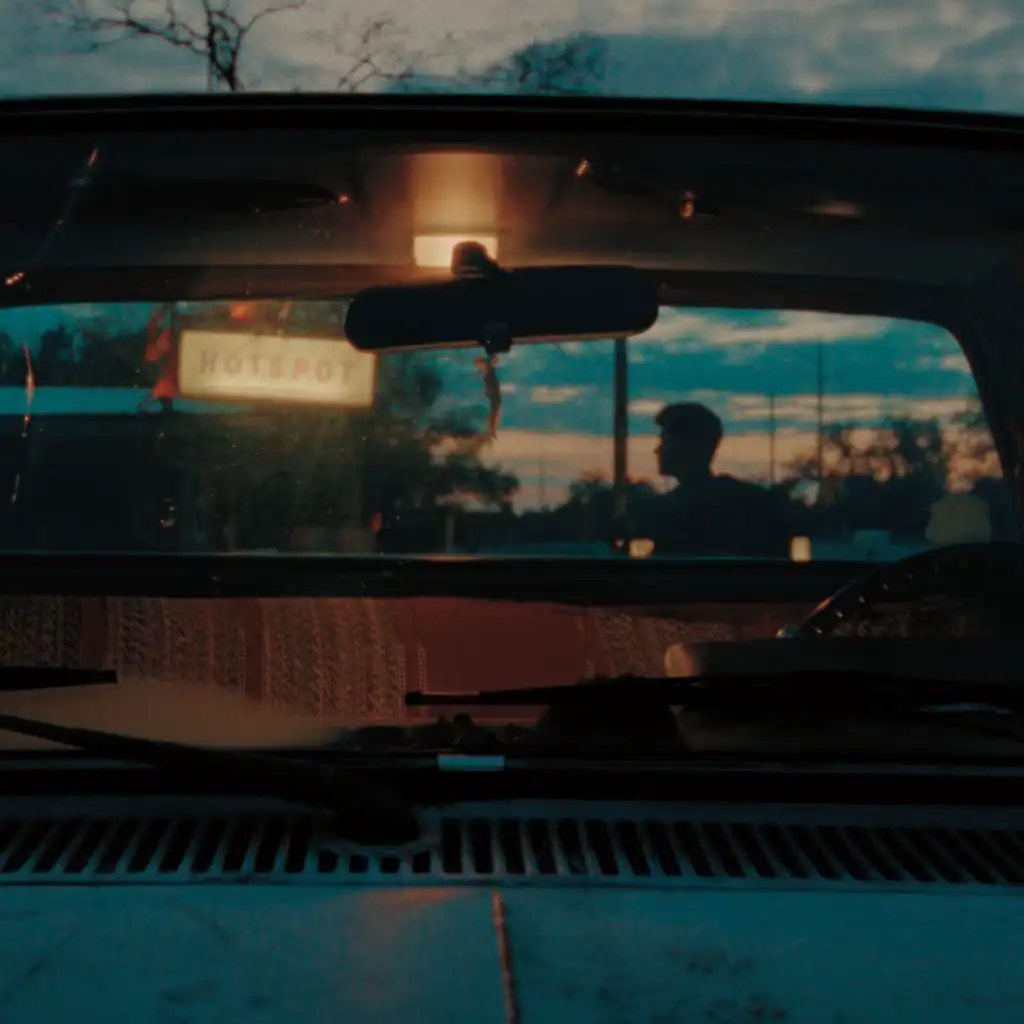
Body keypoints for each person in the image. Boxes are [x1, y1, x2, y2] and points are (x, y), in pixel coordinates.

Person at [633, 402, 791, 557]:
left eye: (664, 441)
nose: (657, 450)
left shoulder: (666, 511)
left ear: (686, 445)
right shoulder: (754, 500)